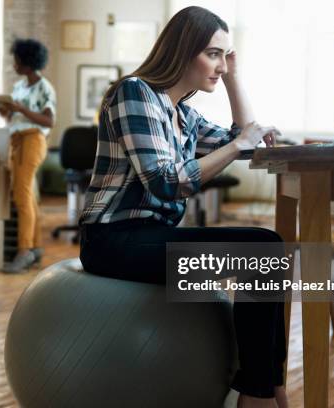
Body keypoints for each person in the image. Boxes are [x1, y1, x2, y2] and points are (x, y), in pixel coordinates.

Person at [79, 7, 288, 408]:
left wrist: (235, 77)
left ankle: (268, 387)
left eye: (225, 56)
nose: (220, 66)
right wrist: (237, 144)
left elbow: (242, 140)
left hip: (154, 237)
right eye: (213, 54)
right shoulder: (134, 92)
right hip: (112, 240)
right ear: (182, 50)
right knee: (261, 250)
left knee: (269, 248)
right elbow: (164, 181)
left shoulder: (184, 117)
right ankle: (260, 395)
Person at [0, 38, 56, 273]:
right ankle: (35, 247)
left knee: (21, 195)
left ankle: (24, 250)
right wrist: (8, 111)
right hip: (18, 140)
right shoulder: (19, 87)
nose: (14, 64)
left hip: (33, 140)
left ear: (28, 62)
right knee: (28, 194)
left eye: (17, 60)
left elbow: (49, 120)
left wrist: (22, 109)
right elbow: (15, 118)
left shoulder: (44, 87)